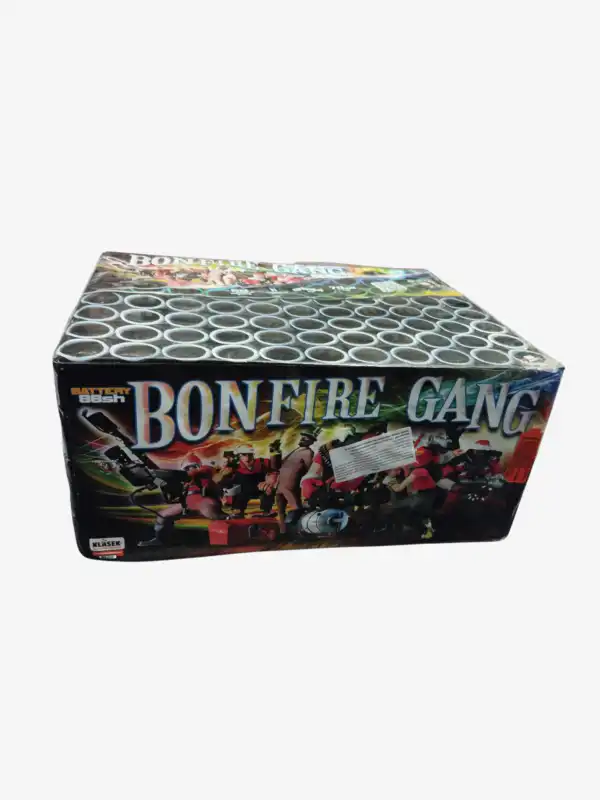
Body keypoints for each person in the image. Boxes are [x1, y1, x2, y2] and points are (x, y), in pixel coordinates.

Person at [138, 453, 225, 548]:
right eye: (187, 468)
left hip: (204, 501)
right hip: (187, 504)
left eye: (193, 467)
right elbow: (166, 485)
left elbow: (207, 470)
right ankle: (160, 539)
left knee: (209, 511)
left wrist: (191, 473)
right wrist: (155, 480)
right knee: (162, 515)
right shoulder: (183, 482)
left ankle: (225, 527)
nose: (190, 469)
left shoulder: (204, 473)